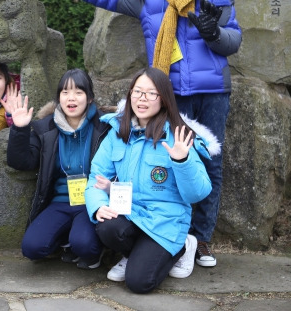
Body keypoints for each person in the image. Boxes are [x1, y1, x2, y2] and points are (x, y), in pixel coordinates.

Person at [35, 0, 242, 267]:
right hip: (168, 92)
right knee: (164, 161)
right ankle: (169, 237)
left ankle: (200, 238)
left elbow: (233, 40)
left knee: (210, 162)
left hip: (213, 89)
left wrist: (212, 33)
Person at [86, 67, 217, 293]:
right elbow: (96, 177)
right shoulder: (117, 131)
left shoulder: (178, 135)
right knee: (106, 227)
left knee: (139, 282)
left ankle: (184, 246)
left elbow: (199, 193)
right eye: (137, 92)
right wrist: (98, 205)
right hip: (131, 214)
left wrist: (182, 160)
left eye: (151, 93)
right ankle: (134, 254)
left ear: (164, 99)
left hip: (165, 222)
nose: (142, 99)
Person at [6, 69, 110, 269]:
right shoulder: (46, 129)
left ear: (89, 98)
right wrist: (19, 129)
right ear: (58, 98)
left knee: (85, 246)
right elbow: (20, 162)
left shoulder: (104, 126)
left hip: (92, 201)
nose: (71, 98)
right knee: (32, 248)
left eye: (78, 92)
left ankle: (84, 242)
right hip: (59, 201)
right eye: (65, 92)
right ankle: (67, 238)